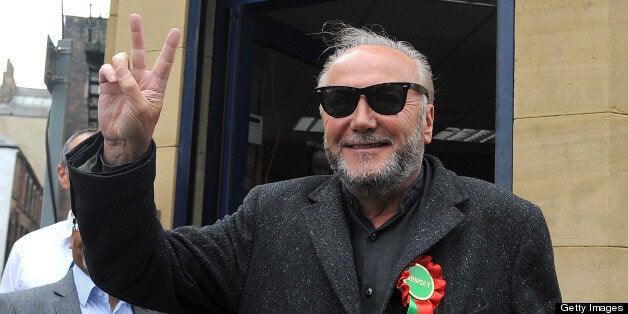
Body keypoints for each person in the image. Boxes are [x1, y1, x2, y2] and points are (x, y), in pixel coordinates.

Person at [66, 13, 561, 313]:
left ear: (428, 121)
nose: (362, 119)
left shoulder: (509, 227)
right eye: (341, 101)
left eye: (387, 98)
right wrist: (122, 152)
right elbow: (135, 270)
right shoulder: (269, 217)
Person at [0, 129, 96, 293]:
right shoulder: (27, 251)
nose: (95, 174)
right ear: (63, 176)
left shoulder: (140, 253)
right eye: (85, 163)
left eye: (108, 165)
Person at [0, 218, 160, 313]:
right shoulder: (18, 307)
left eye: (114, 224)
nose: (99, 237)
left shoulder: (160, 306)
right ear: (72, 235)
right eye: (88, 222)